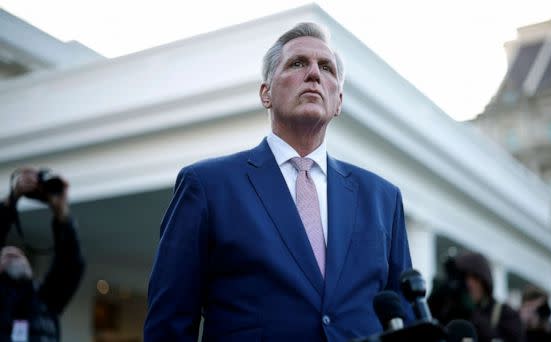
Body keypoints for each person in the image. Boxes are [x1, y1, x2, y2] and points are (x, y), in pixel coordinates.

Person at [144, 22, 413, 341]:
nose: (313, 73)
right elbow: (169, 325)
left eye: (325, 67)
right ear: (266, 93)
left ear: (338, 101)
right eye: (298, 63)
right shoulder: (206, 186)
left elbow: (404, 320)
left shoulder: (383, 198)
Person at [0, 167, 85, 341]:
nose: (13, 253)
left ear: (31, 271)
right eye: (5, 255)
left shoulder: (46, 299)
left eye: (19, 256)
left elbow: (69, 264)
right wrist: (12, 199)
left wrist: (61, 211)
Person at [429, 252, 524, 342]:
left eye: (472, 279)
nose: (467, 285)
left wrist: (472, 313)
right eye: (463, 279)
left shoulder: (505, 314)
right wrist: (435, 301)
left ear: (482, 281)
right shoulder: (449, 310)